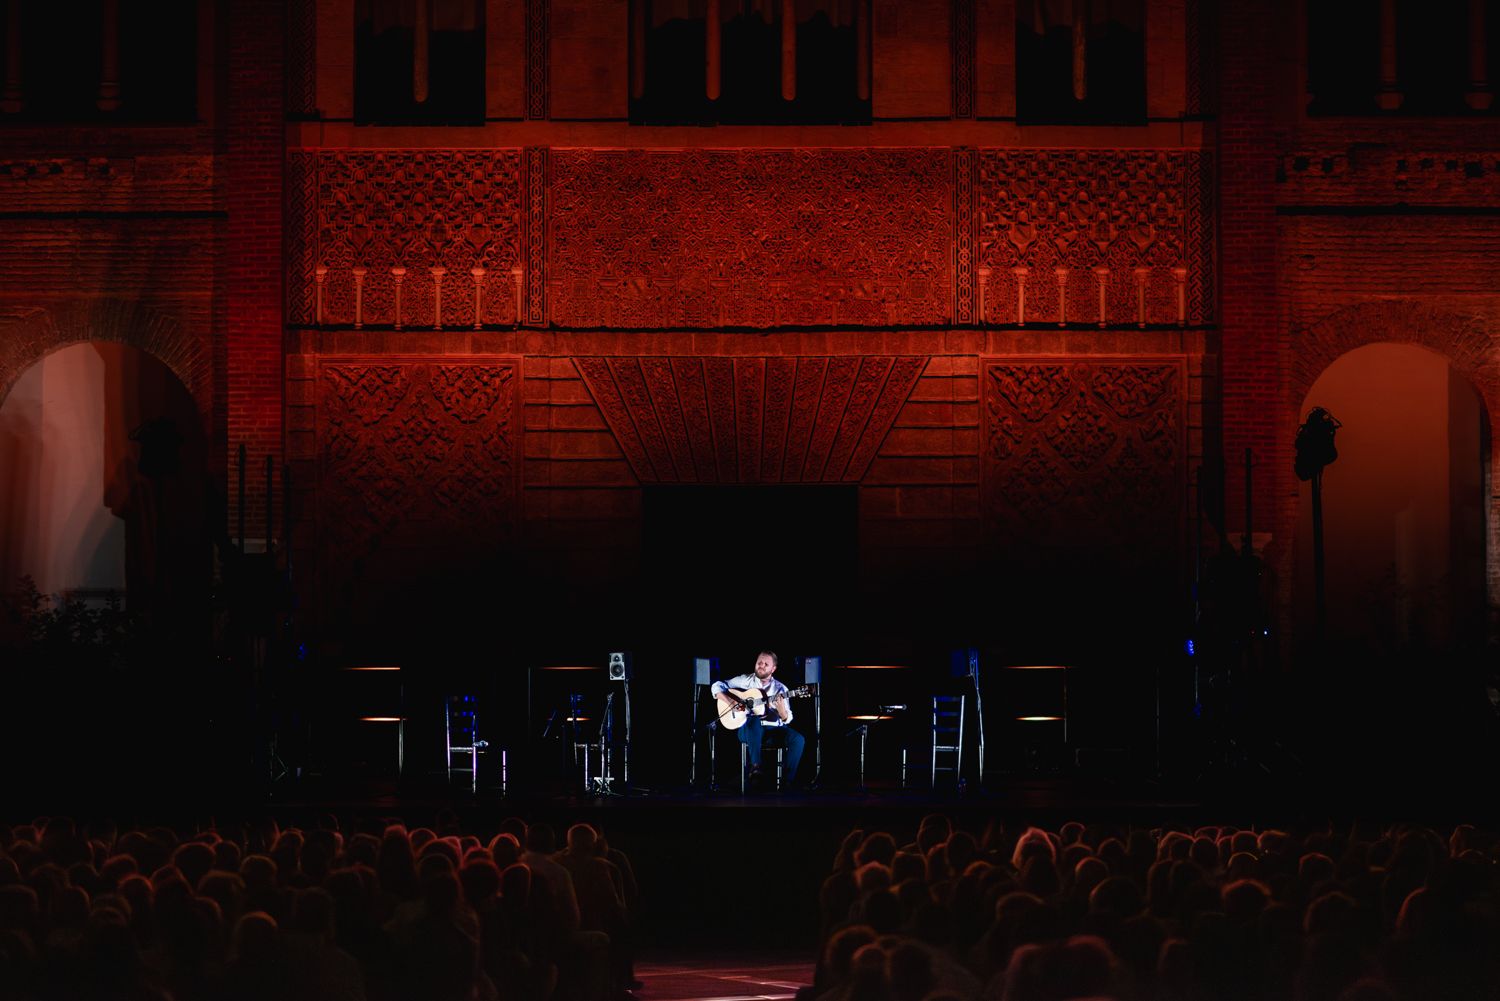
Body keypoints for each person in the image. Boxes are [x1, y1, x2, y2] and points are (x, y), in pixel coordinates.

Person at [711, 650, 805, 789]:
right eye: (759, 662)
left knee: (798, 739)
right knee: (754, 720)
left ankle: (787, 781)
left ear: (773, 669)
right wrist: (731, 702)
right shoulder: (744, 680)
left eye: (766, 664)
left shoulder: (780, 689)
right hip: (748, 731)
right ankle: (756, 767)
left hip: (772, 730)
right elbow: (717, 685)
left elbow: (788, 718)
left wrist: (782, 712)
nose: (761, 665)